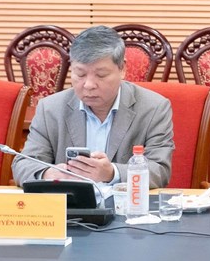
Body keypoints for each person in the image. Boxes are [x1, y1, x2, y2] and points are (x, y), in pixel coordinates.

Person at [12, 25, 174, 188]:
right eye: (80, 74)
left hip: (124, 202)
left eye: (101, 75)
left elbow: (159, 171)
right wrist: (48, 174)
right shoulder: (50, 109)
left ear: (122, 69)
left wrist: (112, 173)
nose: (89, 85)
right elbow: (23, 165)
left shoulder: (154, 108)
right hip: (70, 202)